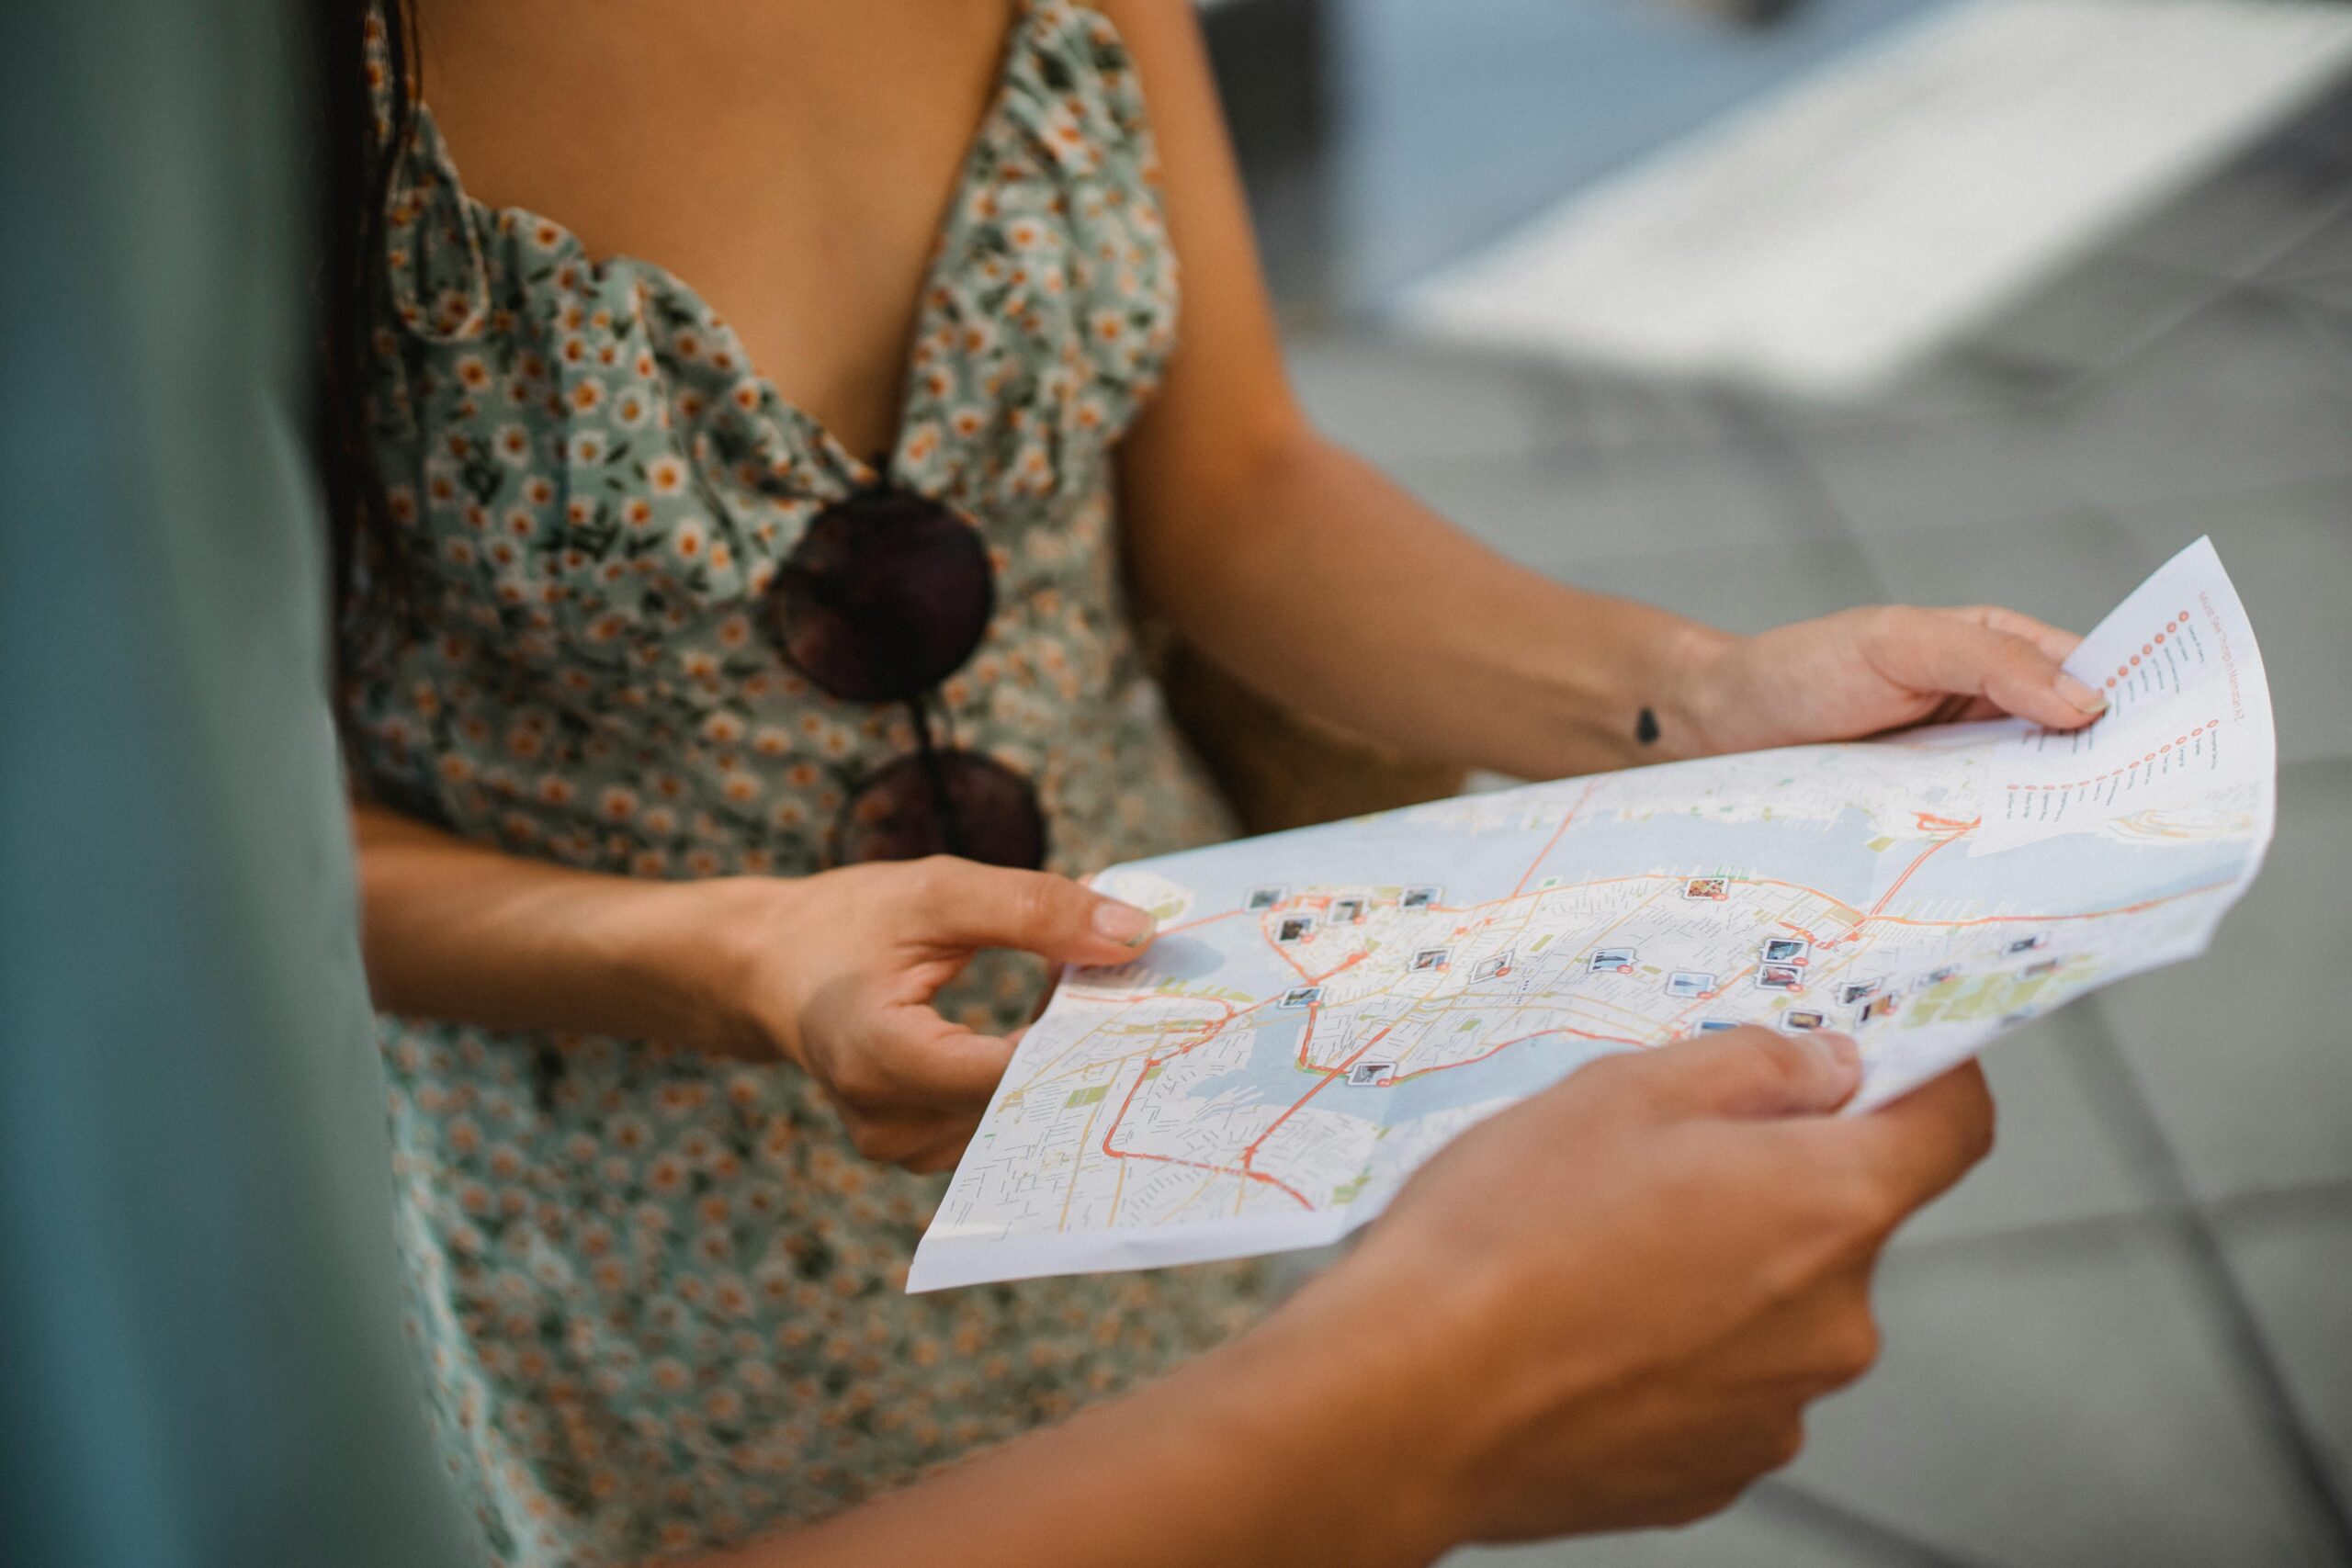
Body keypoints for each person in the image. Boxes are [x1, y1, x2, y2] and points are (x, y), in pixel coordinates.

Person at [322, 2, 2103, 1561]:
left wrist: (1697, 690)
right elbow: (186, 858)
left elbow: (1234, 484)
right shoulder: (220, 75)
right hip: (651, 1221)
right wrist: (732, 960)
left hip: (1159, 1062)